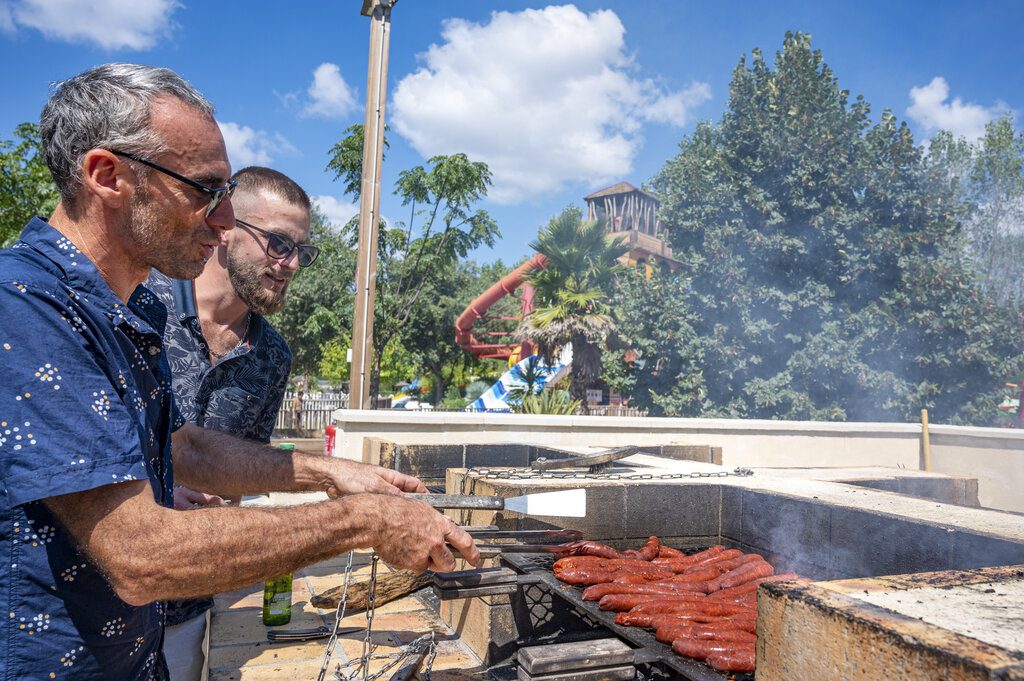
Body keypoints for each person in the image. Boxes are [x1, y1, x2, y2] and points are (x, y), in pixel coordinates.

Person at [0, 63, 478, 681]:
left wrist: (334, 473)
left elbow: (182, 445)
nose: (223, 222)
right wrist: (361, 521)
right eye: (204, 190)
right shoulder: (27, 307)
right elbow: (139, 555)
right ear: (107, 175)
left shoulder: (132, 303)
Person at [144, 166, 319, 681]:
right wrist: (156, 494)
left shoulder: (273, 355)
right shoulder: (134, 302)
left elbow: (242, 475)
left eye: (301, 252)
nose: (289, 265)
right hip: (93, 601)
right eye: (278, 243)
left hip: (190, 610)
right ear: (224, 227)